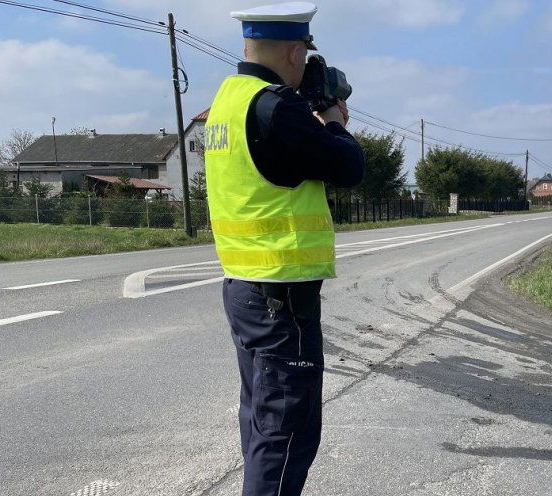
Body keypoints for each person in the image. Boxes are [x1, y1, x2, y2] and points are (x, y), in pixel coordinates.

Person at [204, 3, 364, 495]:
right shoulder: (277, 107)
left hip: (244, 288)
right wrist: (334, 120)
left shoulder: (229, 99)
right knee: (286, 438)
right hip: (281, 300)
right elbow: (349, 166)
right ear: (296, 51)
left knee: (261, 426)